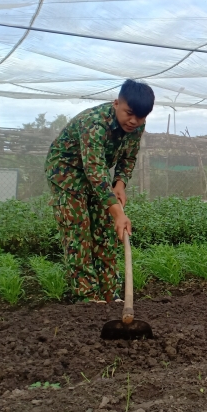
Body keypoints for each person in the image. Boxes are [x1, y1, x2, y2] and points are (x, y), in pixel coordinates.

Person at [44, 79, 154, 302]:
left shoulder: (137, 126)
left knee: (104, 231)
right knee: (79, 230)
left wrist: (120, 184)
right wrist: (119, 213)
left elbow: (128, 156)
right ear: (116, 103)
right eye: (129, 113)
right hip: (66, 171)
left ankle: (109, 293)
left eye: (141, 117)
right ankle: (87, 296)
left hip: (98, 172)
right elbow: (94, 170)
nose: (134, 121)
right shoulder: (95, 124)